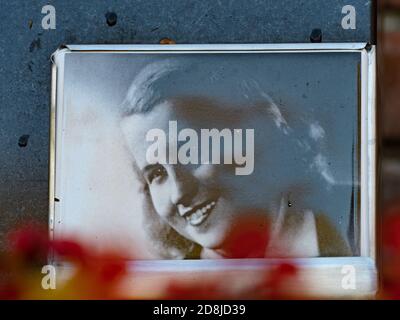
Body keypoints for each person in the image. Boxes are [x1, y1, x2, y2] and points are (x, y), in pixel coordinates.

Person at [119, 57, 352, 259]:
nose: (179, 192)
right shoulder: (163, 288)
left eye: (189, 152)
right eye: (157, 174)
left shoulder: (363, 219)